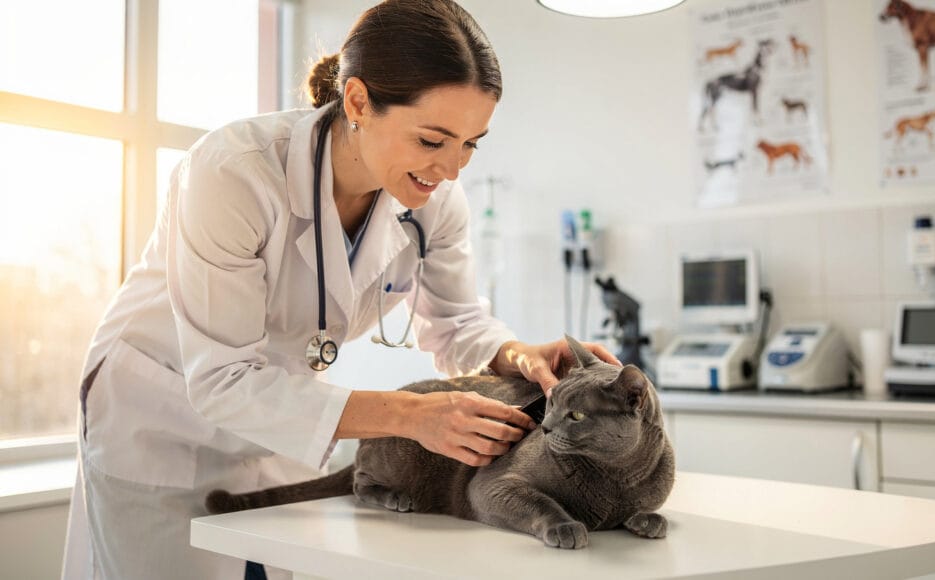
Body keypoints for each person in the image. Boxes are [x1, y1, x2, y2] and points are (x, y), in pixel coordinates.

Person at [60, 1, 618, 578]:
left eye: (471, 143)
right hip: (160, 416)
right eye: (432, 140)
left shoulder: (435, 201)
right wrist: (414, 414)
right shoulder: (233, 172)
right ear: (357, 102)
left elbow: (456, 323)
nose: (453, 169)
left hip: (282, 419)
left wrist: (518, 355)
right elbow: (222, 379)